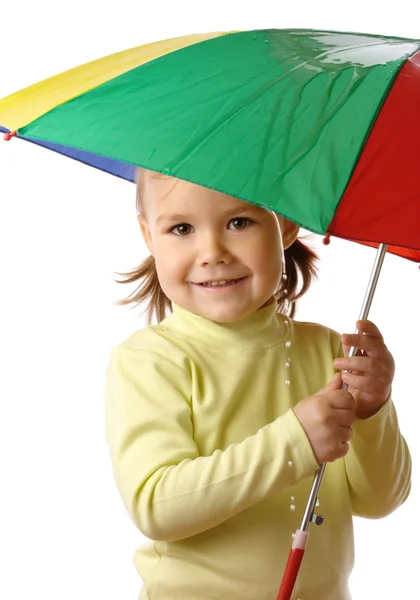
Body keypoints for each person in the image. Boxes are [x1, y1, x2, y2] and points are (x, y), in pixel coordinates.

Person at [104, 167, 411, 600]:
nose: (212, 251)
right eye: (181, 228)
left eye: (239, 222)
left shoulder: (329, 351)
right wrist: (295, 441)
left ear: (285, 223)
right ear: (149, 237)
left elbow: (381, 501)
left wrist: (372, 411)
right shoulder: (151, 361)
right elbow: (155, 505)